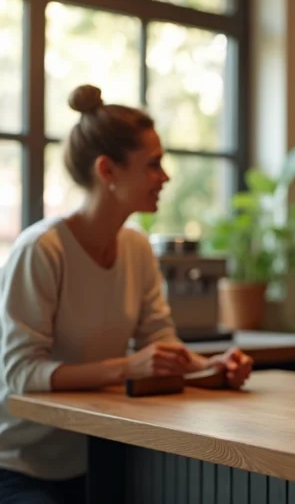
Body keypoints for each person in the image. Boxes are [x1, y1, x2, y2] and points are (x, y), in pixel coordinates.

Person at [0, 85, 254, 504]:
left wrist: (211, 368)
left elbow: (161, 344)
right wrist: (127, 367)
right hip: (20, 468)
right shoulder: (41, 249)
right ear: (107, 171)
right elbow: (21, 374)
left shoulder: (136, 247)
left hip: (99, 455)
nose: (166, 177)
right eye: (153, 164)